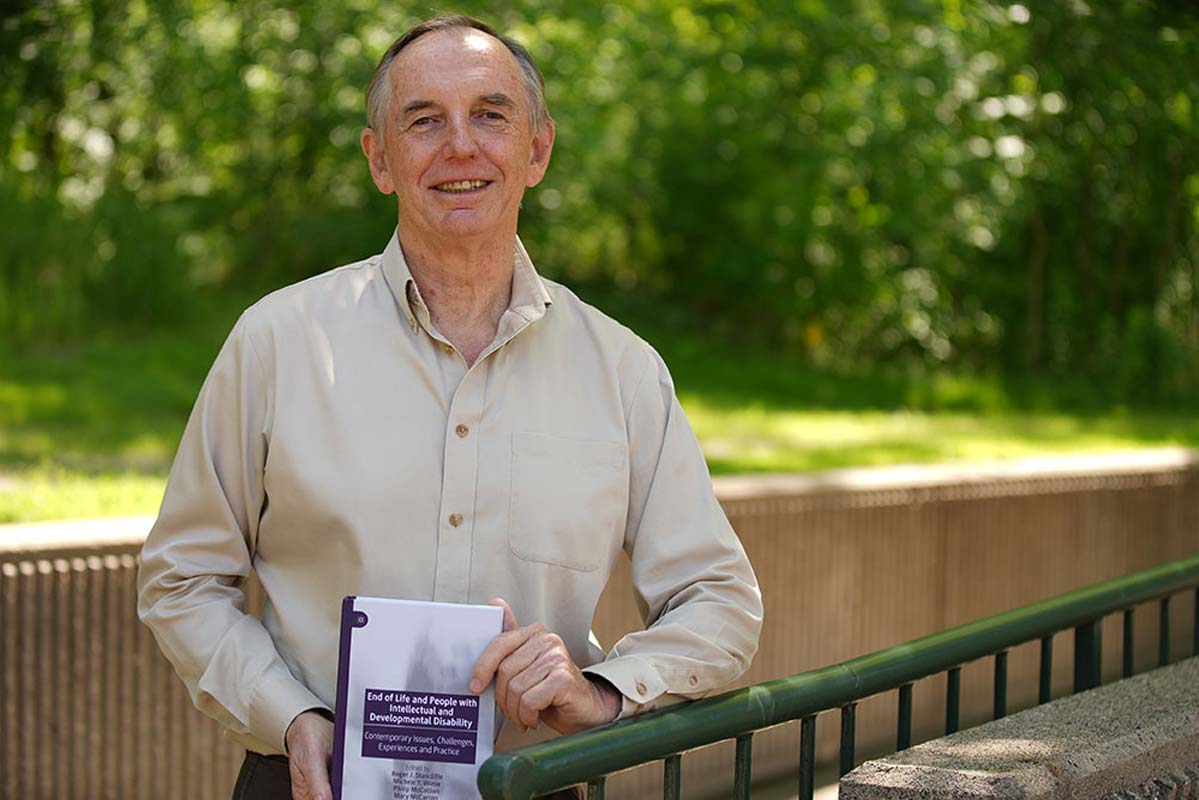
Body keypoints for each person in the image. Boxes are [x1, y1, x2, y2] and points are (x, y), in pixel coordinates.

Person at [137, 14, 762, 800]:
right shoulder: (277, 343)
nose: (460, 146)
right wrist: (289, 715)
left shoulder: (623, 371)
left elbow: (718, 599)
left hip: (530, 784)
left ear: (536, 151)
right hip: (311, 782)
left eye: (490, 115)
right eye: (424, 121)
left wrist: (605, 692)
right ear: (381, 159)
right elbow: (182, 576)